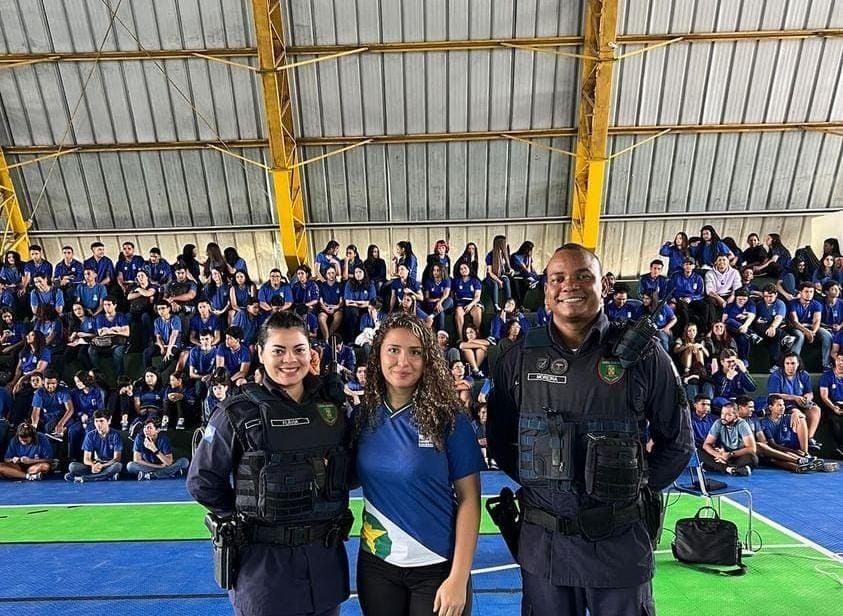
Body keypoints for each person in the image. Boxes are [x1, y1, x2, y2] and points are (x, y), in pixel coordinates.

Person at [486, 243, 693, 616]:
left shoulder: (645, 355)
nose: (570, 285)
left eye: (584, 275)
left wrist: (632, 490)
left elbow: (677, 444)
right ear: (546, 291)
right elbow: (501, 444)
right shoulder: (516, 358)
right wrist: (547, 489)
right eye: (558, 278)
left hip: (620, 546)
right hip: (545, 550)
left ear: (603, 285)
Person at [187, 311, 354, 616]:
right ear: (260, 353)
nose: (289, 359)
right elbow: (202, 481)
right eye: (278, 350)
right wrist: (243, 515)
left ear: (311, 353)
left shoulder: (332, 410)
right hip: (264, 573)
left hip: (324, 567)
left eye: (299, 350)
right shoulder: (236, 412)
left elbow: (349, 474)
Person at [354, 313, 484, 616]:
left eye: (415, 352)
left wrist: (458, 577)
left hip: (438, 568)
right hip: (377, 566)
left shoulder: (450, 420)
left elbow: (469, 500)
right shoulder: (362, 417)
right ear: (378, 355)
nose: (403, 361)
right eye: (394, 350)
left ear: (428, 360)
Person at [699, 402, 757, 476]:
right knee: (699, 452)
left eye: (728, 415)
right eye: (722, 413)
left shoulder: (742, 424)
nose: (723, 417)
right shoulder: (718, 423)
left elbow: (752, 448)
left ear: (736, 417)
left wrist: (730, 454)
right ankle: (730, 469)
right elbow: (706, 444)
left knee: (752, 458)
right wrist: (718, 455)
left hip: (737, 455)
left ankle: (717, 467)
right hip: (723, 454)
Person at [65, 409, 122, 482]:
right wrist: (93, 465)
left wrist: (102, 466)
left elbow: (117, 459)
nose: (98, 424)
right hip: (95, 465)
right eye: (96, 421)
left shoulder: (115, 435)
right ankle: (106, 477)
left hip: (108, 465)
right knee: (72, 466)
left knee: (118, 466)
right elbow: (86, 459)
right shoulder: (90, 435)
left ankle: (86, 478)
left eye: (101, 421)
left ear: (108, 421)